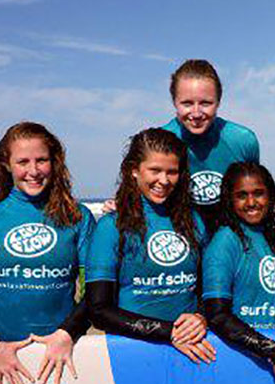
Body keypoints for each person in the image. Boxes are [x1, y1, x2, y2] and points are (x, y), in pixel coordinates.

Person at [0, 122, 96, 384]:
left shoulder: (78, 217)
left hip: (64, 350)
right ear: (6, 165)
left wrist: (67, 334)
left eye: (41, 160)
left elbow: (95, 291)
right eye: (23, 162)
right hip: (2, 354)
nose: (33, 171)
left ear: (55, 162)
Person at [85, 128, 215, 364]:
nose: (164, 181)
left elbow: (209, 290)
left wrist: (201, 317)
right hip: (132, 352)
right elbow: (98, 310)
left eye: (172, 172)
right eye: (155, 170)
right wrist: (168, 332)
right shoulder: (111, 226)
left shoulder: (195, 221)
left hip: (192, 349)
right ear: (134, 170)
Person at [203, 162, 275, 384]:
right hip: (240, 356)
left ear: (271, 195)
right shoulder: (225, 241)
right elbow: (217, 315)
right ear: (229, 200)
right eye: (241, 196)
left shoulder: (272, 238)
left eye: (258, 193)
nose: (251, 202)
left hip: (273, 355)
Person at [162, 59, 260, 229]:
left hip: (230, 236)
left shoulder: (243, 140)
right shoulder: (161, 142)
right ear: (174, 102)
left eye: (206, 103)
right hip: (183, 234)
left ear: (218, 102)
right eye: (187, 103)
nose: (196, 113)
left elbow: (255, 194)